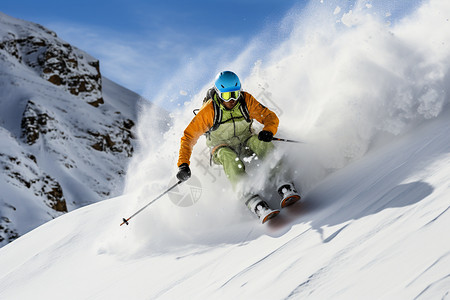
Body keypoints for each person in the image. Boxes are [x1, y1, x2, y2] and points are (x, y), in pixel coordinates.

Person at [176, 71, 300, 223]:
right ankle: (252, 200)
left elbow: (269, 117)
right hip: (221, 147)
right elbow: (188, 137)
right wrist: (183, 165)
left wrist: (268, 131)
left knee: (260, 142)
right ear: (219, 94)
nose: (233, 100)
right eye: (227, 96)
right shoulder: (209, 111)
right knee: (229, 158)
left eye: (235, 93)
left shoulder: (245, 100)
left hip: (246, 139)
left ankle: (284, 183)